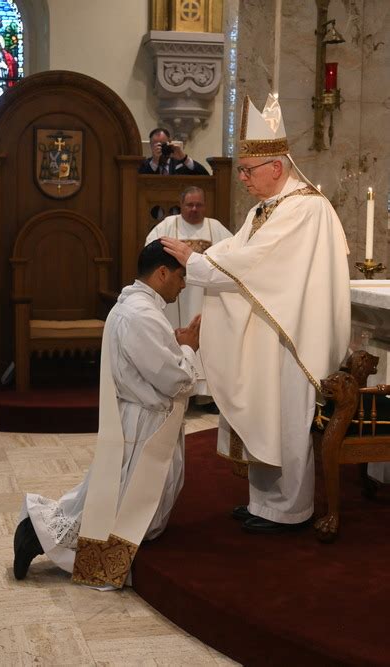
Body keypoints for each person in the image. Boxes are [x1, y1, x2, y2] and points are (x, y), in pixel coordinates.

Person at [162, 94, 351, 534]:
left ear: (277, 169)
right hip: (266, 325)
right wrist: (200, 252)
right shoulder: (267, 207)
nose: (242, 178)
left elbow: (256, 262)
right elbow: (237, 250)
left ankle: (291, 509)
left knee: (284, 416)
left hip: (290, 333)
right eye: (243, 170)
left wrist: (194, 263)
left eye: (248, 171)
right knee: (264, 416)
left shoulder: (305, 207)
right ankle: (265, 504)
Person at [13, 240, 200, 586]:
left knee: (113, 498)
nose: (184, 284)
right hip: (146, 423)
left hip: (138, 416)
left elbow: (151, 362)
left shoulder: (133, 306)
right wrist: (188, 347)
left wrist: (174, 346)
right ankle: (36, 533)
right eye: (181, 275)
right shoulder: (141, 315)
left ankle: (39, 531)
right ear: (162, 273)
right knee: (116, 510)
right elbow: (175, 381)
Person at [146, 186, 232, 412]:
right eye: (189, 205)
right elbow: (151, 250)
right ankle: (179, 391)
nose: (194, 209)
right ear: (181, 205)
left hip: (205, 299)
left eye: (199, 205)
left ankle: (205, 395)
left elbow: (233, 256)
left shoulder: (216, 228)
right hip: (175, 299)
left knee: (207, 338)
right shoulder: (167, 226)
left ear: (205, 205)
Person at [138, 127, 209, 175]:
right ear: (150, 145)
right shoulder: (145, 165)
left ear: (169, 142)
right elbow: (137, 181)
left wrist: (185, 159)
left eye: (163, 144)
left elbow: (205, 176)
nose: (160, 148)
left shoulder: (180, 163)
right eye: (156, 145)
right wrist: (154, 162)